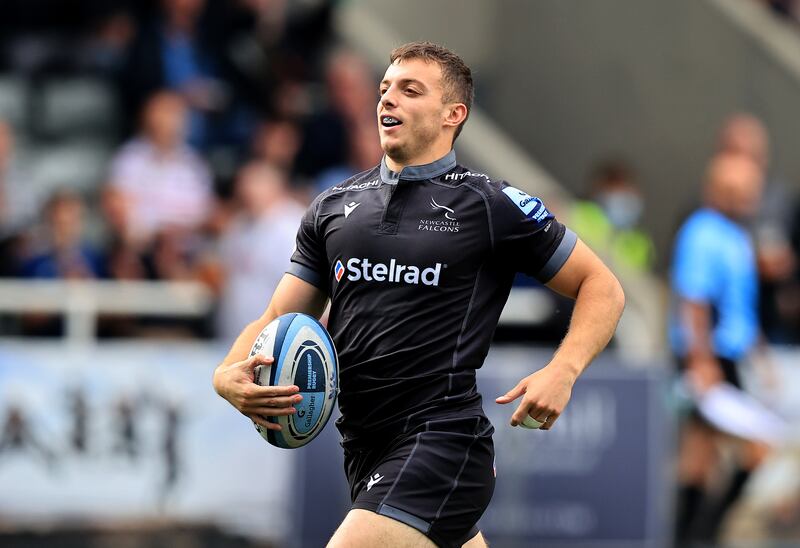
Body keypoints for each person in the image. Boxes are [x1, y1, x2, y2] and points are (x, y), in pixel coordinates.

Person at [212, 41, 624, 548]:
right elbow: (278, 314)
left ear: (454, 113)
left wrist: (563, 370)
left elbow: (602, 286)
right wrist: (226, 372)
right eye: (384, 89)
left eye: (410, 90)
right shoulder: (332, 207)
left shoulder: (490, 203)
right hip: (364, 447)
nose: (388, 100)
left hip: (443, 439)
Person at [670, 153, 771, 544]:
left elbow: (740, 305)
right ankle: (702, 534)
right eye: (743, 192)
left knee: (699, 458)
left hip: (729, 357)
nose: (751, 200)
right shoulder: (703, 232)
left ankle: (691, 536)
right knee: (755, 449)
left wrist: (761, 359)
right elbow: (694, 300)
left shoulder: (737, 236)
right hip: (711, 358)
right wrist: (701, 361)